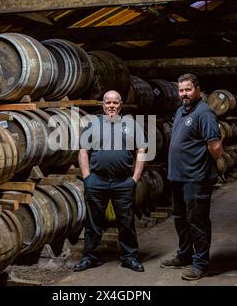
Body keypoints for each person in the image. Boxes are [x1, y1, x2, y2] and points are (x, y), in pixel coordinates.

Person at [74, 90, 147, 272]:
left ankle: (129, 257)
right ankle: (89, 257)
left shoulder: (130, 124)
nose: (112, 106)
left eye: (115, 102)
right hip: (97, 180)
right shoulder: (93, 124)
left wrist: (135, 179)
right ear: (103, 105)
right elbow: (83, 150)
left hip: (123, 182)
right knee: (93, 222)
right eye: (108, 103)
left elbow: (141, 150)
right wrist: (86, 177)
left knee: (126, 222)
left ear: (120, 104)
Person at [161, 74, 223, 280]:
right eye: (181, 90)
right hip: (178, 177)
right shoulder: (180, 111)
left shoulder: (204, 113)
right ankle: (185, 254)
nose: (184, 94)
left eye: (188, 90)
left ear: (197, 89)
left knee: (197, 221)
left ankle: (201, 263)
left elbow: (215, 145)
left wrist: (207, 166)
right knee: (180, 219)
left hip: (196, 177)